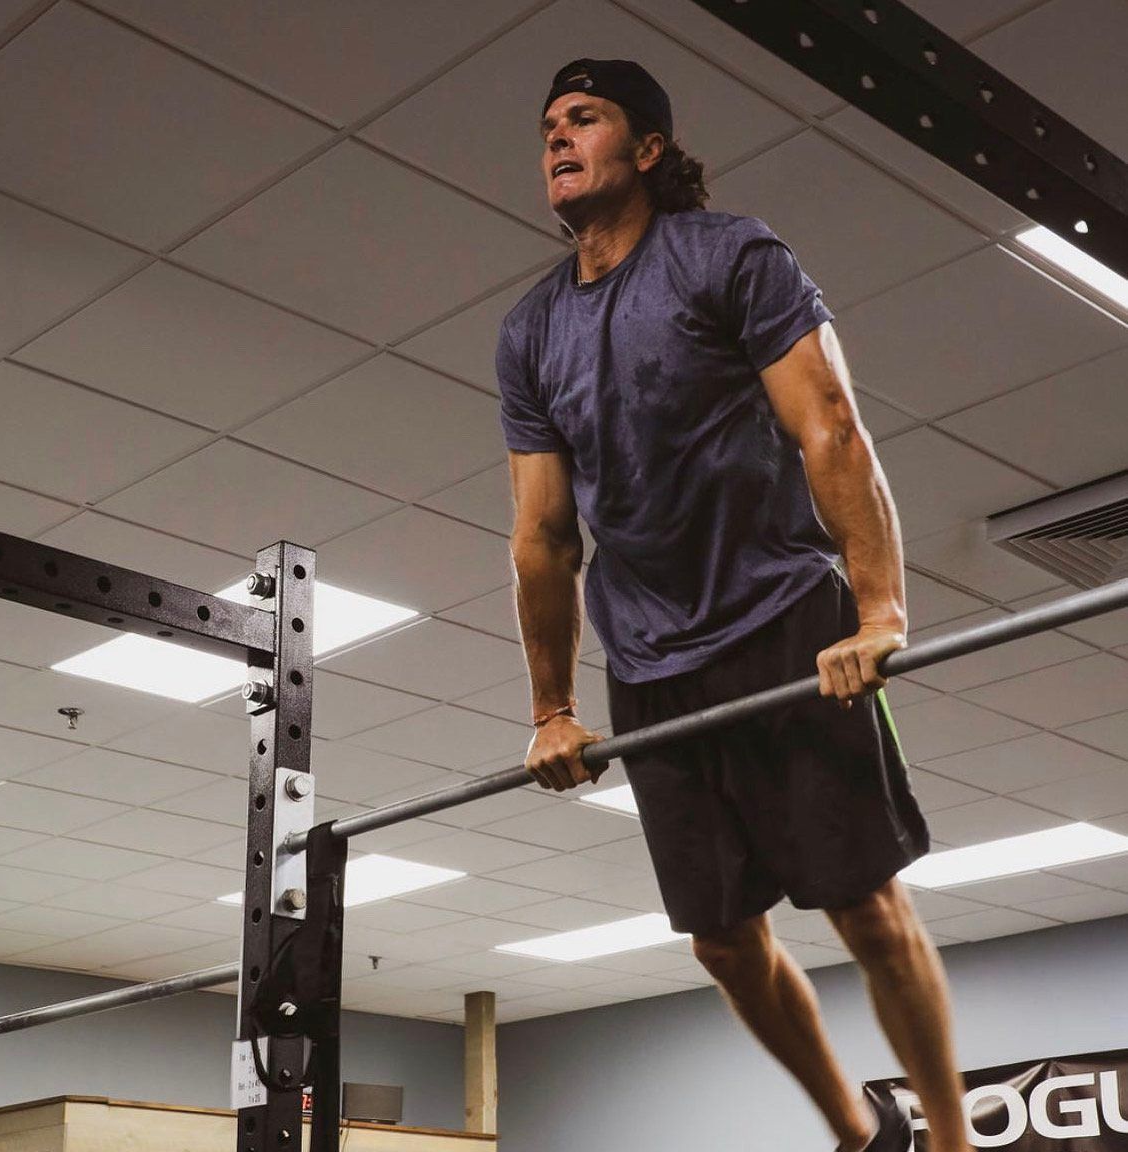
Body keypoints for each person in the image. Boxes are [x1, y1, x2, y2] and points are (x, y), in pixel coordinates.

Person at [496, 58, 972, 1152]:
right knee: (719, 939)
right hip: (653, 658)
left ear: (649, 149)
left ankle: (951, 1141)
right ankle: (858, 1133)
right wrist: (550, 708)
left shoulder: (728, 256)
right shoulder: (529, 333)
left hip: (786, 624)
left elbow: (830, 427)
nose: (557, 140)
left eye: (585, 119)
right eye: (548, 126)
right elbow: (543, 534)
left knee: (862, 907)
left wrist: (878, 611)